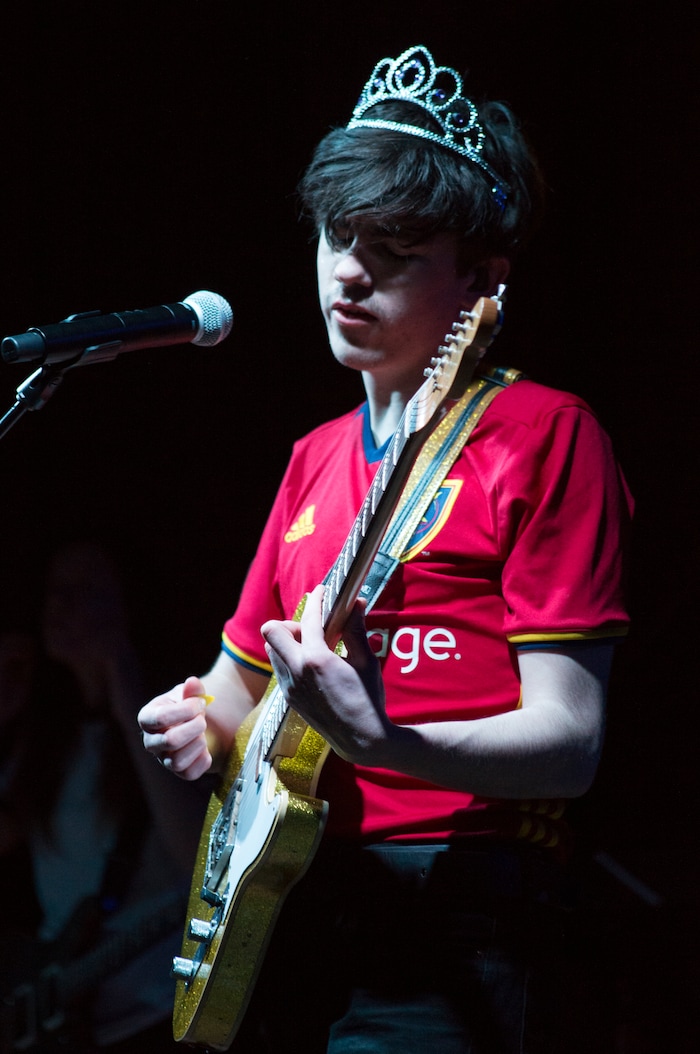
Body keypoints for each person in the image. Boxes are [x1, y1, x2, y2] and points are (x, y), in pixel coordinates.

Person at [138, 45, 633, 1052]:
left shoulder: (545, 433)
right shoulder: (312, 457)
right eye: (336, 235)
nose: (350, 269)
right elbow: (237, 700)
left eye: (397, 248)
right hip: (295, 906)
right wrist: (197, 721)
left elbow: (572, 742)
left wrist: (384, 741)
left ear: (483, 279)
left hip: (459, 900)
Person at [0, 540, 208, 1053]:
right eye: (54, 590)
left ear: (127, 605)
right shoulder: (47, 739)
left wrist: (122, 676)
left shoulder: (180, 720)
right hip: (63, 1011)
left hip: (155, 1010)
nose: (59, 604)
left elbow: (198, 857)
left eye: (84, 590)